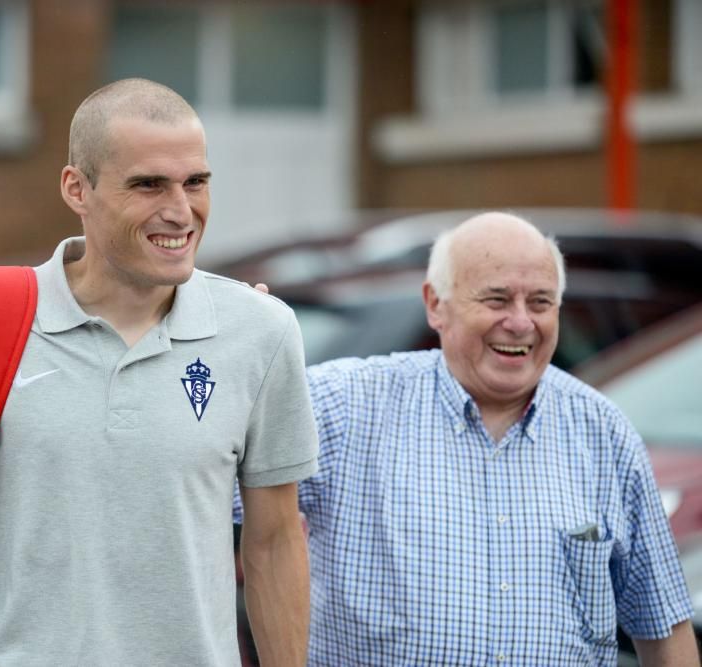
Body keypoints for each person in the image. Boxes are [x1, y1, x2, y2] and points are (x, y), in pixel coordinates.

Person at [0, 78, 319, 667]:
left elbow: (273, 542)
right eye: (148, 185)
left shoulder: (262, 331)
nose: (180, 211)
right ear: (77, 188)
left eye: (195, 182)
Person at [242, 212, 698, 665]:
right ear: (436, 304)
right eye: (497, 300)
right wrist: (224, 356)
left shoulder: (605, 434)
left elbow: (663, 624)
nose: (520, 323)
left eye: (540, 302)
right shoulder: (344, 407)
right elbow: (198, 480)